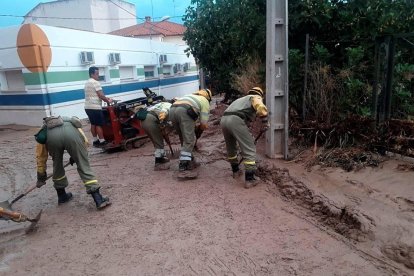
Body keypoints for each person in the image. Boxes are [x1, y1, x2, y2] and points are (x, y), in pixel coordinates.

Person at [35, 116, 111, 209]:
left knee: (57, 165)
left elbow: (41, 156)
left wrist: (41, 176)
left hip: (52, 139)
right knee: (83, 165)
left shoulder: (44, 131)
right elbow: (84, 141)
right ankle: (98, 199)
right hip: (71, 135)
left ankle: (62, 196)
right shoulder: (71, 122)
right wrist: (77, 156)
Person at [220, 87, 269, 189]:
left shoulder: (240, 100)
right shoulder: (255, 97)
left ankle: (235, 172)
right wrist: (265, 122)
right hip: (235, 120)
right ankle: (250, 179)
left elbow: (245, 124)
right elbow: (261, 108)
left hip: (224, 120)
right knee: (250, 148)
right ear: (260, 95)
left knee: (231, 147)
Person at [169, 89, 212, 172]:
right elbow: (203, 123)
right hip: (184, 111)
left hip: (172, 110)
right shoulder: (205, 101)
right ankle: (183, 165)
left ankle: (190, 160)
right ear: (208, 97)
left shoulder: (190, 96)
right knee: (189, 140)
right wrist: (198, 132)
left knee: (184, 138)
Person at [138, 101, 173, 171]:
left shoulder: (160, 104)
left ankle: (161, 158)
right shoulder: (169, 106)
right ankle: (158, 163)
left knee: (156, 141)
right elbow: (165, 121)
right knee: (159, 142)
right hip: (150, 120)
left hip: (143, 121)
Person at [84, 66, 113, 147]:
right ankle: (102, 141)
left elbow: (94, 95)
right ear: (92, 74)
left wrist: (105, 98)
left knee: (93, 123)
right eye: (97, 74)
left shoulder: (87, 82)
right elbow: (100, 95)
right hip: (95, 107)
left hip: (87, 107)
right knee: (99, 124)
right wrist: (108, 100)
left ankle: (95, 141)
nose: (98, 76)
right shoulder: (96, 82)